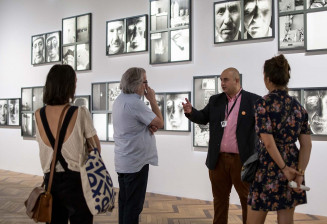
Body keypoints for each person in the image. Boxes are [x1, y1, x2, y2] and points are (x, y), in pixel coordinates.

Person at [182, 67, 260, 224]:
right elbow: (203, 117)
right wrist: (191, 112)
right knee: (219, 200)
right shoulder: (215, 100)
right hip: (218, 160)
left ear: (236, 81)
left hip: (242, 161)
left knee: (247, 200)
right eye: (221, 80)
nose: (222, 83)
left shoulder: (253, 101)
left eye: (226, 80)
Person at [247, 54, 312, 224]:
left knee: (255, 217)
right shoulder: (299, 108)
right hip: (293, 164)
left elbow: (268, 142)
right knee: (285, 219)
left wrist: (283, 168)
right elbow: (307, 145)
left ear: (267, 79)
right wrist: (299, 173)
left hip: (269, 166)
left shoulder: (263, 104)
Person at [34, 64, 101, 224]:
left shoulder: (38, 114)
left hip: (50, 181)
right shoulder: (80, 113)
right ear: (68, 85)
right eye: (74, 82)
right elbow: (96, 148)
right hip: (76, 182)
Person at [112, 67, 164, 224]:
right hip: (136, 163)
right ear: (137, 84)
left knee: (125, 204)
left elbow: (136, 124)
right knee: (133, 208)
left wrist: (147, 125)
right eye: (145, 82)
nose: (147, 86)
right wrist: (153, 100)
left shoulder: (119, 100)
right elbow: (160, 122)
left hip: (124, 161)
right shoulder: (135, 103)